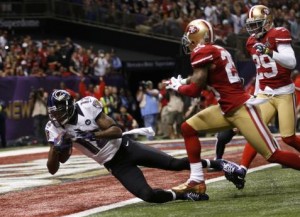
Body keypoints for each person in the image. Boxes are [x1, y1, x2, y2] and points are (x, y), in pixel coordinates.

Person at [164, 19, 300, 196]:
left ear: (196, 37)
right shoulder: (215, 49)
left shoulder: (203, 52)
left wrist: (178, 87)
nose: (187, 41)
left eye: (189, 37)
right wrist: (182, 81)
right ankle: (196, 181)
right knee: (187, 128)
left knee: (273, 154)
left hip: (241, 108)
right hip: (226, 107)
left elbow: (195, 90)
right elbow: (201, 77)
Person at [45, 89, 240, 203]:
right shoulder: (54, 128)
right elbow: (54, 168)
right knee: (148, 196)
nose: (56, 116)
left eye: (59, 111)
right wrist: (56, 146)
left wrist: (92, 134)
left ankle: (220, 164)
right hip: (114, 164)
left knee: (174, 164)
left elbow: (116, 130)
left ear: (70, 106)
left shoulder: (87, 107)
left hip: (126, 147)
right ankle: (182, 194)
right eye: (53, 112)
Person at [227, 5, 300, 189]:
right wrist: (254, 95)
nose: (252, 29)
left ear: (267, 22)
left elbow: (291, 62)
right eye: (251, 24)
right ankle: (242, 170)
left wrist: (269, 51)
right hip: (265, 92)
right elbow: (260, 72)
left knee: (288, 138)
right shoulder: (251, 42)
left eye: (257, 24)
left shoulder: (279, 33)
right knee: (254, 132)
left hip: (284, 92)